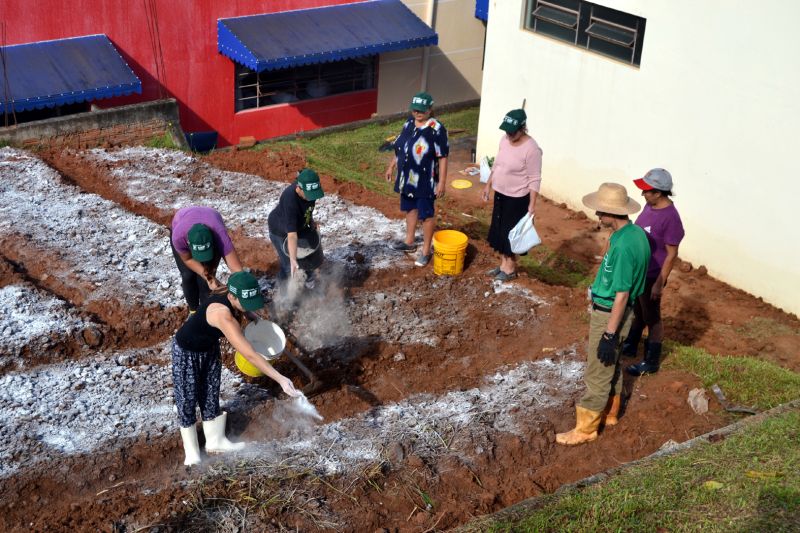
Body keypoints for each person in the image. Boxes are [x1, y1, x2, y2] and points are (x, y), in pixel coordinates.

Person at [173, 271, 301, 466]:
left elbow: (237, 303)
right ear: (232, 296)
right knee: (188, 398)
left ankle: (215, 441)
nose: (247, 308)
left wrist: (248, 313)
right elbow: (249, 353)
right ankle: (191, 452)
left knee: (210, 392)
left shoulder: (227, 291)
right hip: (187, 351)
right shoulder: (223, 317)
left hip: (208, 347)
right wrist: (280, 379)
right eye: (245, 304)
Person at [556, 183, 650, 446]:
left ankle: (585, 430)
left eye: (601, 211)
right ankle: (611, 413)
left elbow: (622, 294)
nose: (597, 215)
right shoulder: (634, 234)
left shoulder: (622, 248)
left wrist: (609, 333)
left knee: (597, 369)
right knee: (612, 363)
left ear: (612, 213)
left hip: (610, 312)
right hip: (618, 310)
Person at [624, 169, 685, 376]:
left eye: (647, 191)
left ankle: (651, 362)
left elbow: (671, 254)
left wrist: (660, 282)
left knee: (652, 317)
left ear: (659, 192)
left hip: (653, 275)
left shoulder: (671, 218)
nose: (643, 194)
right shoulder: (649, 207)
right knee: (639, 310)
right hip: (641, 271)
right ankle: (631, 345)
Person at [384, 92, 449, 267]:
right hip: (407, 179)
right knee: (410, 209)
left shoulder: (436, 129)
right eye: (415, 110)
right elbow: (401, 149)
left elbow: (442, 156)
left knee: (426, 215)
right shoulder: (408, 124)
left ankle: (426, 251)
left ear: (430, 110)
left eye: (422, 110)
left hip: (425, 181)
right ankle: (410, 242)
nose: (418, 113)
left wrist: (442, 182)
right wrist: (392, 166)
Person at [481, 109, 543, 281]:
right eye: (506, 131)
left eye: (512, 131)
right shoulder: (504, 140)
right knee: (499, 230)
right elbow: (497, 165)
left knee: (510, 233)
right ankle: (502, 265)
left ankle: (510, 269)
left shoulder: (531, 149)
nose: (508, 134)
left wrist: (532, 205)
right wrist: (488, 185)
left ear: (523, 128)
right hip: (500, 193)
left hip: (517, 198)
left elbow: (535, 178)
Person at [171, 206, 243, 312]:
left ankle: (206, 312)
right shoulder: (178, 237)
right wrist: (207, 276)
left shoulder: (219, 234)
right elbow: (188, 260)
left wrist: (242, 295)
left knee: (206, 278)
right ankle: (193, 311)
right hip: (181, 221)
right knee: (188, 275)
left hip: (211, 220)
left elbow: (237, 270)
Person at [267, 168, 324, 285]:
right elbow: (292, 235)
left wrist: (310, 221)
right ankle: (284, 294)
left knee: (305, 261)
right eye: (309, 195)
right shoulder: (290, 199)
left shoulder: (309, 193)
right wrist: (293, 260)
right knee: (289, 266)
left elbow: (308, 209)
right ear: (299, 188)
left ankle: (307, 282)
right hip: (280, 231)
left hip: (298, 226)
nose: (312, 198)